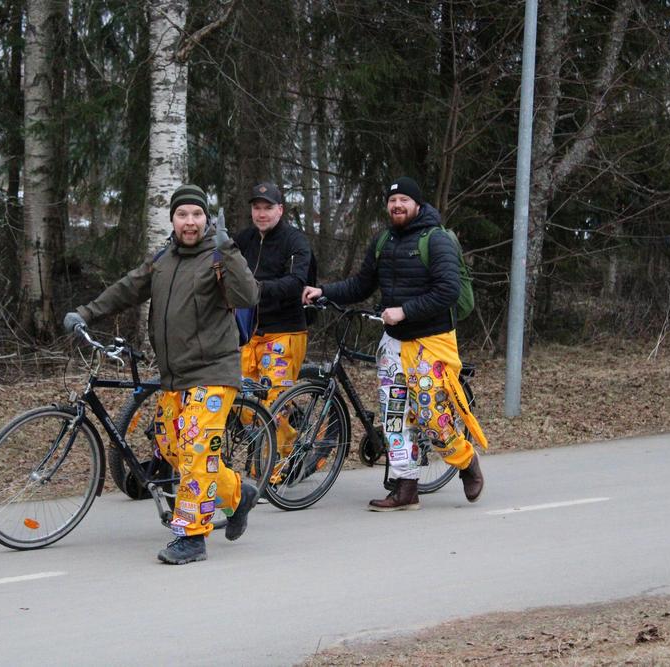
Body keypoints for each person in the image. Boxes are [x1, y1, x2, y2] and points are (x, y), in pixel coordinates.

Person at [66, 184, 260, 564]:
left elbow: (248, 296)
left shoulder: (219, 256)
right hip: (175, 376)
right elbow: (127, 288)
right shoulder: (163, 259)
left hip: (214, 372)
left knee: (195, 448)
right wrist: (86, 313)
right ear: (172, 220)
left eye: (197, 215)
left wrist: (230, 251)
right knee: (170, 445)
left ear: (206, 219)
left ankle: (192, 537)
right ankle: (238, 494)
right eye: (182, 214)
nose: (190, 222)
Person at [301, 176, 488, 511]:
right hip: (394, 345)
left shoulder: (436, 240)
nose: (397, 206)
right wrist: (324, 291)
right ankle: (406, 488)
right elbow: (361, 285)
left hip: (432, 341)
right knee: (395, 416)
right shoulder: (383, 240)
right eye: (392, 201)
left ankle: (466, 461)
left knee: (431, 415)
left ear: (417, 204)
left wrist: (405, 311)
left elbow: (448, 291)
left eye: (404, 200)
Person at [233, 182, 313, 466]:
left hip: (285, 332)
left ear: (280, 209)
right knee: (241, 401)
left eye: (268, 208)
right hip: (249, 333)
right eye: (257, 208)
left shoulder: (295, 241)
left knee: (273, 405)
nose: (262, 213)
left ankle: (274, 470)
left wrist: (257, 289)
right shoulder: (244, 239)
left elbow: (296, 282)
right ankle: (287, 444)